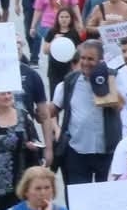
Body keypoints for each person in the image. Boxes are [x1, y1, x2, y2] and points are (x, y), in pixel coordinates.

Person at [52, 40, 121, 186]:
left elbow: (120, 106)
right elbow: (53, 109)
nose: (85, 62)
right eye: (83, 58)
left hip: (106, 151)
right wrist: (39, 110)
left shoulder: (112, 78)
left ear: (100, 60)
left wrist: (103, 84)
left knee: (105, 197)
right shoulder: (70, 81)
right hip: (77, 151)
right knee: (79, 199)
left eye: (91, 59)